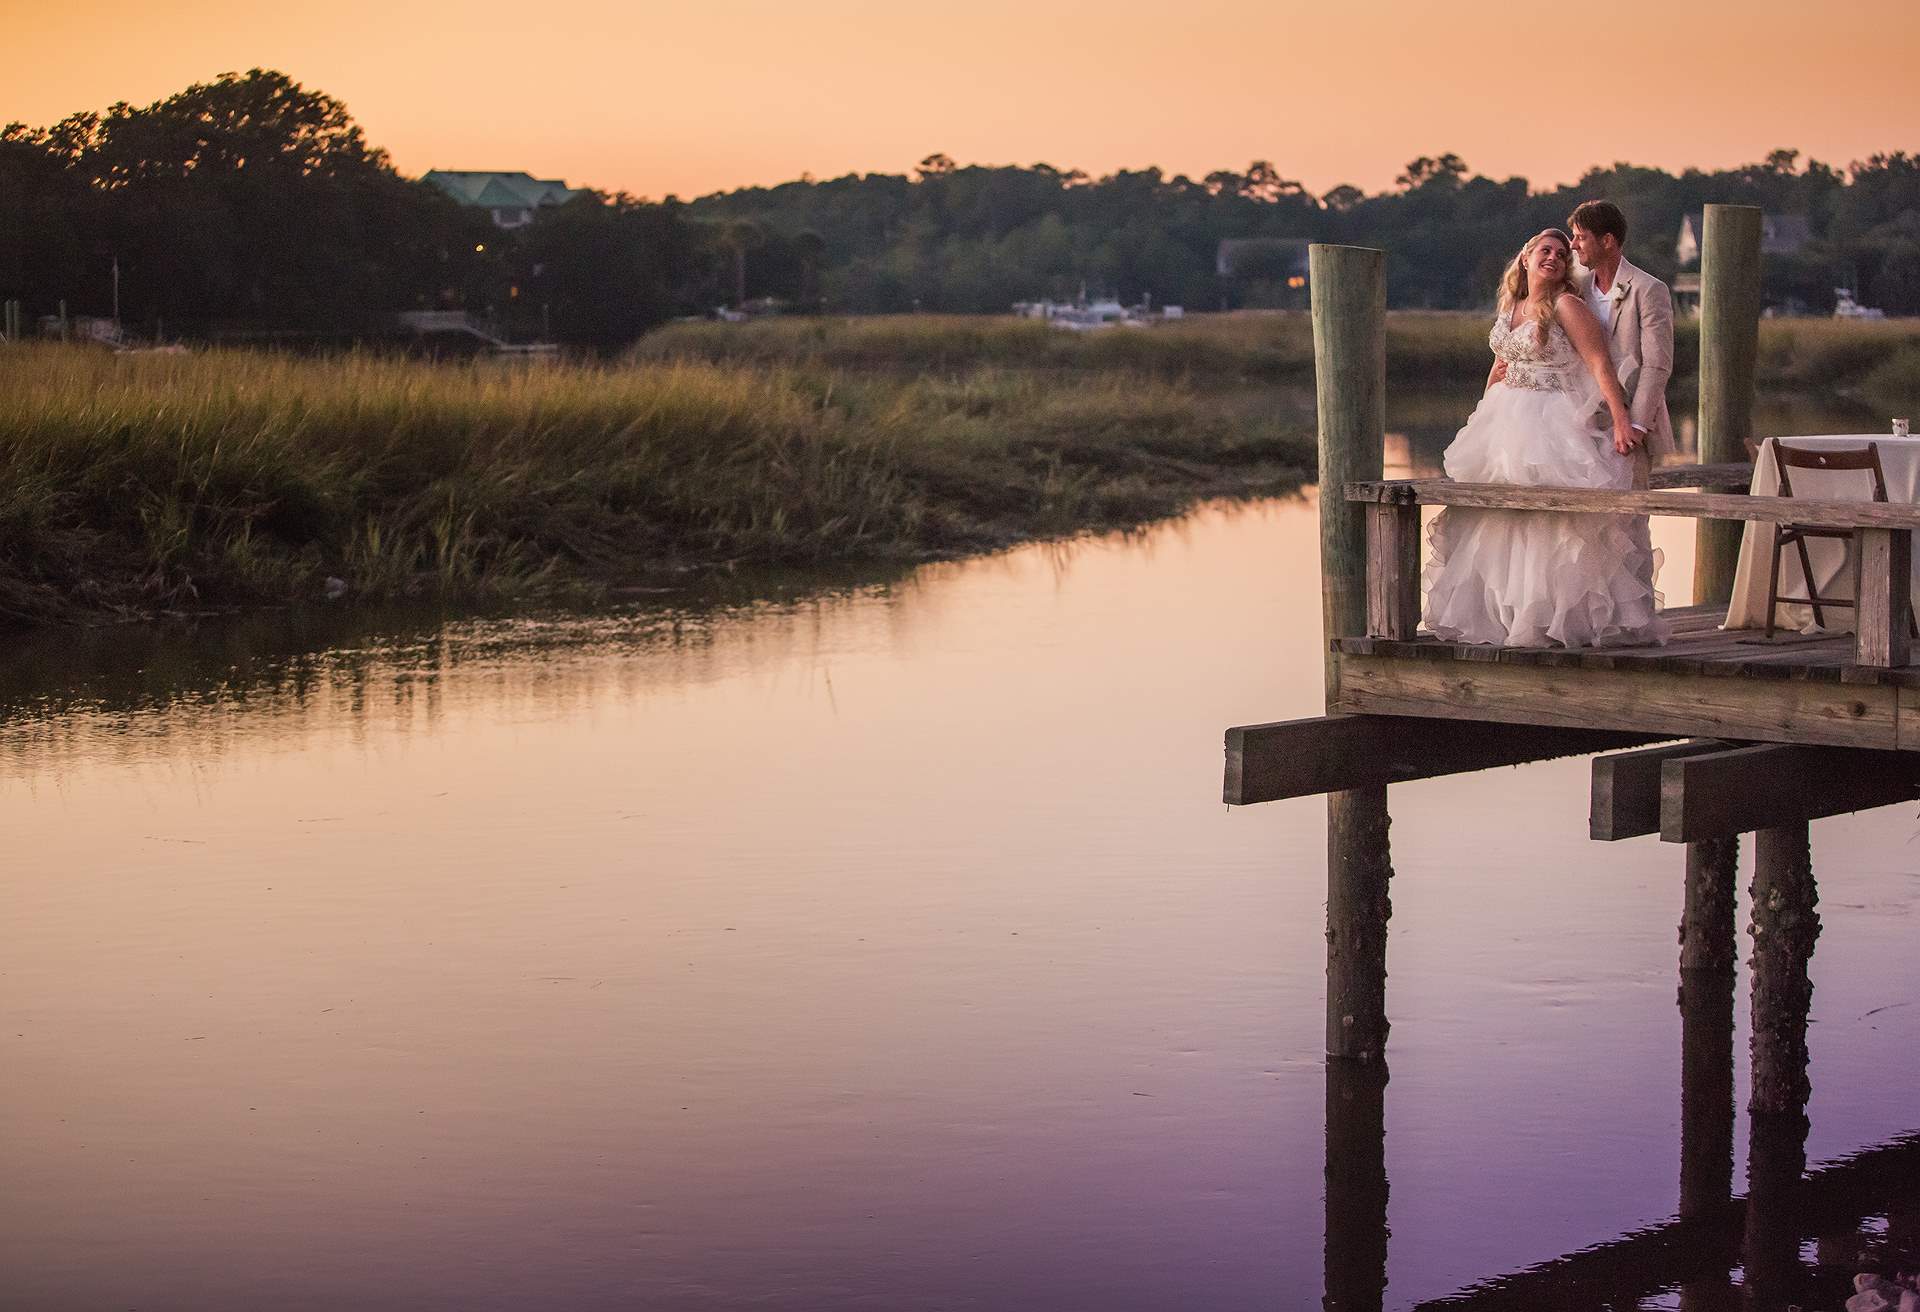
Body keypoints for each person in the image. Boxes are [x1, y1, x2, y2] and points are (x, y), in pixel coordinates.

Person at [1422, 228, 1667, 648]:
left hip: (1550, 420)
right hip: (1503, 421)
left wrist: (1623, 421)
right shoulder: (1512, 307)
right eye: (1544, 250)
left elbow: (1598, 364)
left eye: (1560, 253)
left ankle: (1557, 620)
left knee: (1551, 522)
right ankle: (1508, 617)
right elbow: (1500, 362)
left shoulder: (1567, 306)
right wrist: (1484, 409)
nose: (1553, 257)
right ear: (1525, 257)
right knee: (1497, 522)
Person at [1567, 199, 1675, 488]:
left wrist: (1635, 426)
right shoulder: (1575, 290)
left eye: (1581, 237)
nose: (1573, 245)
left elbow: (1657, 364)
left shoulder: (1649, 289)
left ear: (1607, 241)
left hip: (1630, 423)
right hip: (1581, 421)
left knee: (1628, 518)